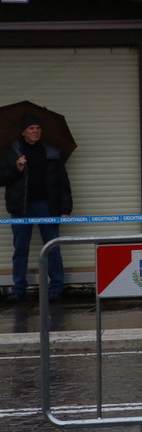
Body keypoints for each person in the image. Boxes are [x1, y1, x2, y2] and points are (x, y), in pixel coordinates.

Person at [1, 113, 73, 302]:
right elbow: (1, 178)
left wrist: (65, 209)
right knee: (20, 249)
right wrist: (16, 168)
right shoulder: (12, 152)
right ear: (23, 132)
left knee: (53, 248)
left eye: (38, 128)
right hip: (21, 208)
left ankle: (56, 287)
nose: (35, 131)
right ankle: (19, 289)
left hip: (47, 207)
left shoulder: (52, 153)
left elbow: (63, 183)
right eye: (31, 128)